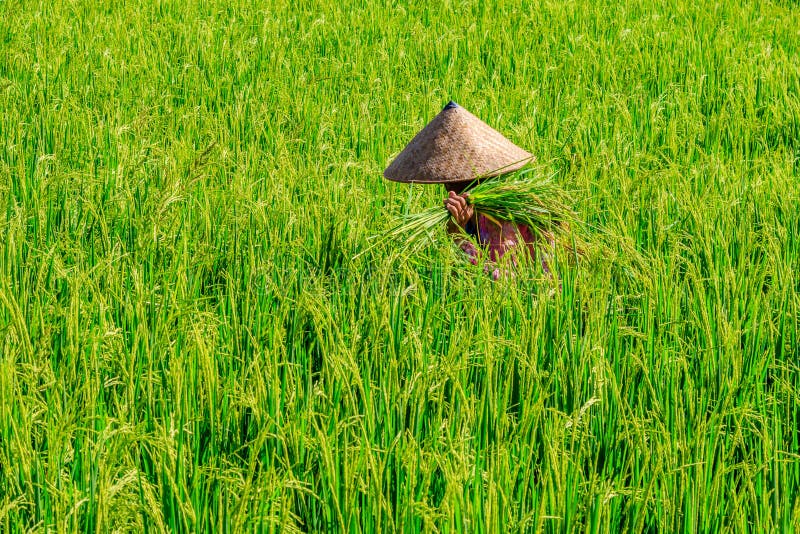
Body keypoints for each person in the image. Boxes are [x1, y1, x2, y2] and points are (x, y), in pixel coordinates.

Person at [384, 101, 551, 278]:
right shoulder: (474, 211)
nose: (448, 187)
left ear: (476, 178)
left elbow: (504, 280)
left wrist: (459, 238)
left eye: (454, 179)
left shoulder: (500, 217)